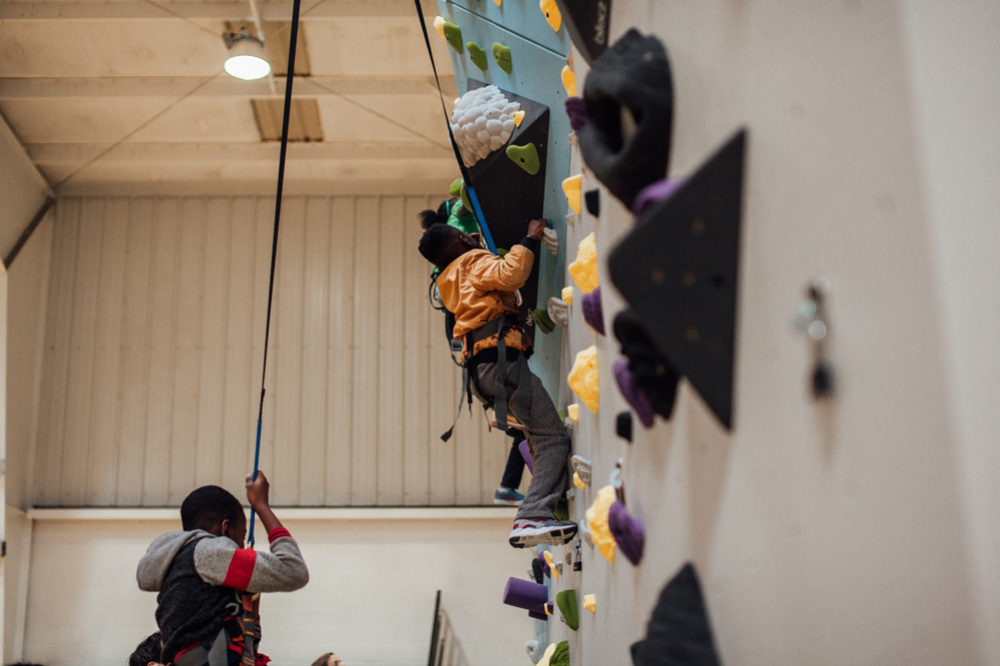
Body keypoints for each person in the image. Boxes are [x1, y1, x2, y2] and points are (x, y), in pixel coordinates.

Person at [418, 219, 577, 548]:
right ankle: (533, 514)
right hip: (502, 364)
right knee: (552, 439)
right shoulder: (473, 261)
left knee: (537, 435)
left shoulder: (448, 279)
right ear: (464, 239)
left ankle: (541, 503)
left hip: (481, 372)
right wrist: (529, 239)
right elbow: (511, 274)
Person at [136, 472, 309, 665]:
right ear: (225, 528)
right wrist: (262, 505)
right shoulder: (211, 553)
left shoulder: (178, 567)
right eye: (241, 537)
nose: (241, 547)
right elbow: (294, 570)